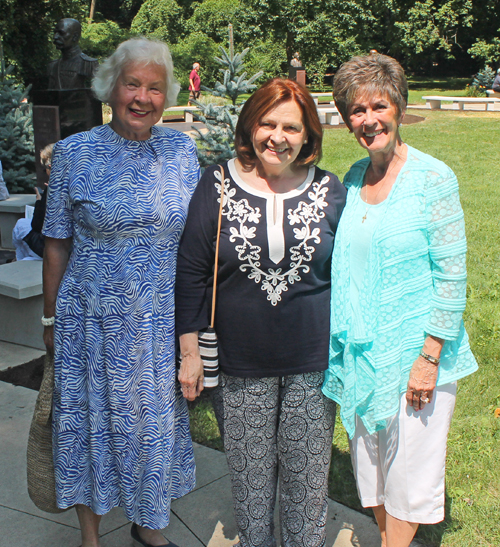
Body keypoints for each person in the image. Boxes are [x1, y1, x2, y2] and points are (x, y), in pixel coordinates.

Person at [42, 37, 200, 547]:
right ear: (111, 86)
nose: (142, 97)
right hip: (91, 320)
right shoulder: (74, 153)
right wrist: (49, 321)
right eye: (132, 83)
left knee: (154, 428)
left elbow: (201, 236)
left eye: (155, 88)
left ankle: (149, 529)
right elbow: (56, 243)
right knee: (89, 425)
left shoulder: (181, 150)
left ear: (166, 97)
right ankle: (91, 537)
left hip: (160, 319)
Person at [176, 78, 347, 547]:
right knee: (250, 484)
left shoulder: (330, 190)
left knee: (308, 484)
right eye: (267, 123)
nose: (278, 137)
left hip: (312, 362)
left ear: (308, 135)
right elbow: (191, 269)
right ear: (250, 126)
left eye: (291, 127)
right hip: (241, 362)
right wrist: (189, 350)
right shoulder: (217, 183)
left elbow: (348, 274)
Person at [322, 54, 478, 547]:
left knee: (408, 484)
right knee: (373, 481)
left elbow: (452, 278)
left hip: (416, 357)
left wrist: (429, 358)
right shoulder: (351, 177)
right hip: (362, 358)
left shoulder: (434, 178)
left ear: (399, 106)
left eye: (378, 106)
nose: (368, 120)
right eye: (356, 110)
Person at [12, 143, 53, 261]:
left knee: (21, 224)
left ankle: (18, 260)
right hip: (76, 247)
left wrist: (40, 201)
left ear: (50, 166)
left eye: (45, 169)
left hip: (53, 247)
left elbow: (37, 225)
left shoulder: (54, 188)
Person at [47, 18, 98, 89]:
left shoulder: (89, 64)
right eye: (55, 33)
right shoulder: (52, 66)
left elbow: (97, 96)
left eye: (61, 33)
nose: (55, 37)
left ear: (75, 37)